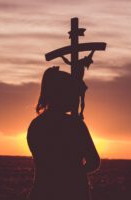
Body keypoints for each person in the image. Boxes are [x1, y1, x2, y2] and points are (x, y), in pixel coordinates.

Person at [27, 66, 100, 200]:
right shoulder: (75, 125)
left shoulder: (36, 125)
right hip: (72, 192)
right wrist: (75, 173)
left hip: (42, 192)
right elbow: (94, 161)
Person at [60, 50, 95, 119]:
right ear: (86, 60)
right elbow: (68, 62)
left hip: (79, 83)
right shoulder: (79, 63)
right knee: (78, 99)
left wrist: (93, 51)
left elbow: (68, 62)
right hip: (76, 83)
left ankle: (81, 113)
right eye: (88, 63)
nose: (88, 65)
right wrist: (62, 56)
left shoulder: (81, 63)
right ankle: (78, 112)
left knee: (81, 99)